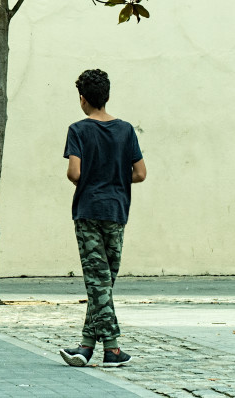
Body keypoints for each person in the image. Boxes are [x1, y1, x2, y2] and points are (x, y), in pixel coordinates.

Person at [58, 69, 146, 368]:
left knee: (98, 283)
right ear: (106, 96)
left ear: (83, 99)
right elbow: (140, 173)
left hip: (88, 211)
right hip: (116, 211)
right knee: (103, 283)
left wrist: (92, 182)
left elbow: (74, 173)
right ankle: (85, 347)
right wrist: (114, 179)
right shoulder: (126, 130)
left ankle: (112, 349)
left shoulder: (78, 130)